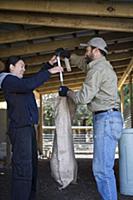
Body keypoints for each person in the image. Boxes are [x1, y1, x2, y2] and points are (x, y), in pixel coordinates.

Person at [57, 37, 123, 200]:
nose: (85, 52)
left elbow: (83, 98)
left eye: (87, 49)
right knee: (104, 168)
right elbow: (83, 63)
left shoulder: (97, 70)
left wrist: (68, 92)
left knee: (102, 170)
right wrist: (69, 56)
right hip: (109, 118)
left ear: (96, 50)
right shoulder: (100, 66)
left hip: (106, 119)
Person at [0, 55, 63, 200]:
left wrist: (48, 64)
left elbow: (30, 82)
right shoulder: (8, 80)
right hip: (20, 128)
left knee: (32, 167)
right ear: (11, 67)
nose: (24, 69)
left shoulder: (18, 83)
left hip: (27, 128)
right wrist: (50, 71)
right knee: (23, 168)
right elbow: (29, 84)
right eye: (21, 66)